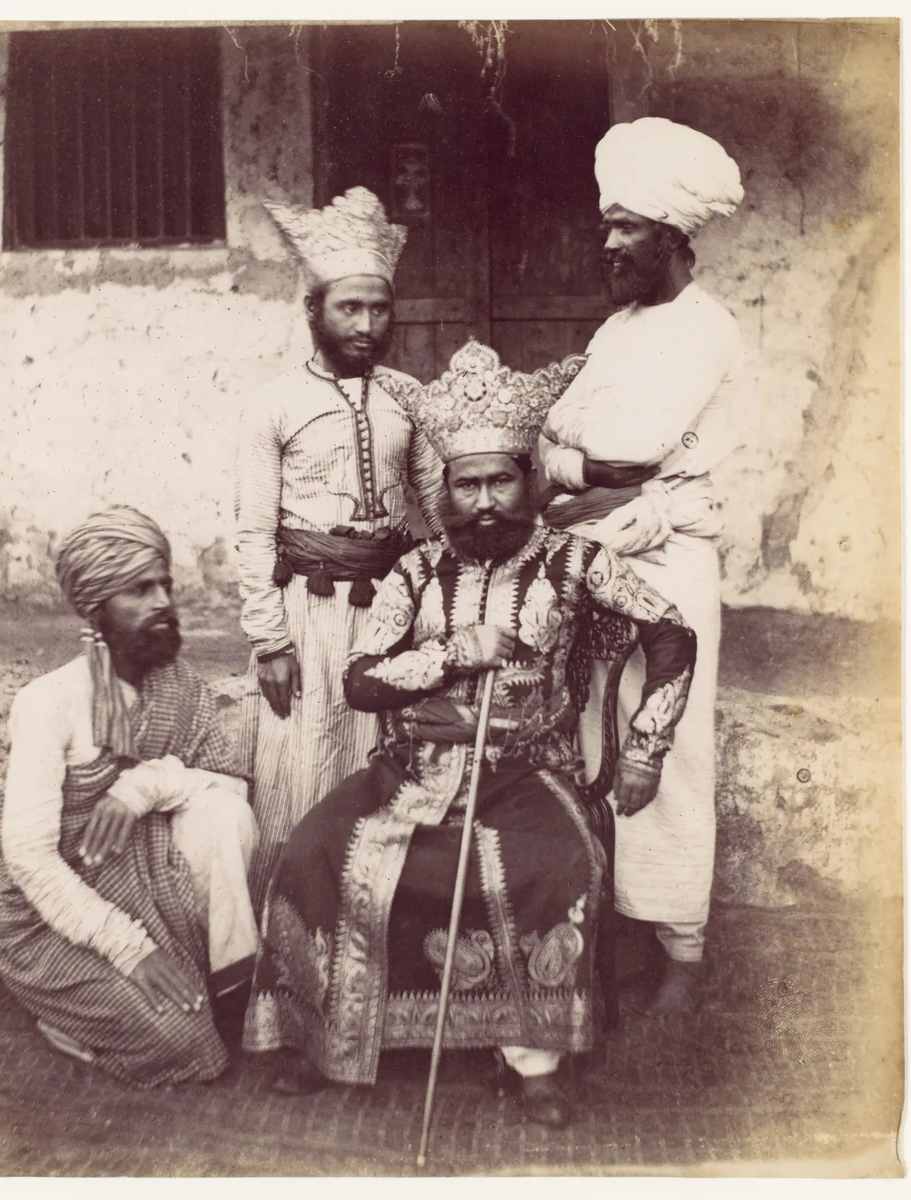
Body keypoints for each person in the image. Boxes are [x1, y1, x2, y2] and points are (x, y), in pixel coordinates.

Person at [242, 341, 697, 1127]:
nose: (485, 500)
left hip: (530, 771)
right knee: (317, 850)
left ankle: (534, 1059)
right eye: (467, 483)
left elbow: (672, 635)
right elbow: (360, 680)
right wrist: (453, 654)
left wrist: (649, 745)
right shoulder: (415, 571)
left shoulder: (576, 561)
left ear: (527, 480)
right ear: (445, 489)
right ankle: (330, 1040)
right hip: (411, 769)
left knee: (554, 865)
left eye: (500, 480)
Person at [537, 116, 747, 1019]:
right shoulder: (618, 328)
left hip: (670, 563)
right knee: (594, 733)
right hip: (597, 555)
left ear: (675, 235)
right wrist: (586, 473)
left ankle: (682, 952)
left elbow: (628, 446)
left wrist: (585, 469)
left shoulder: (705, 330)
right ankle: (611, 924)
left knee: (667, 744)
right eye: (607, 224)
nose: (609, 241)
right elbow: (555, 437)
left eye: (628, 225)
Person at [0, 506, 259, 1087]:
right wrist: (131, 950)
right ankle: (58, 1014)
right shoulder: (49, 701)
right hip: (54, 916)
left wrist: (141, 787)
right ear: (96, 608)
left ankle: (203, 983)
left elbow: (232, 786)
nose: (163, 601)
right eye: (140, 589)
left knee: (223, 812)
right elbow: (28, 859)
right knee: (185, 1045)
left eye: (165, 584)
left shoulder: (179, 686)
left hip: (152, 884)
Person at [235, 186, 443, 909]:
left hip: (387, 613)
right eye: (348, 308)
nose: (365, 324)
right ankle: (286, 935)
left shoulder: (408, 398)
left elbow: (440, 509)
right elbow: (253, 532)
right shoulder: (274, 404)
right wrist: (269, 642)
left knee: (379, 763)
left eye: (378, 308)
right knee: (300, 766)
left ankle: (373, 929)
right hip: (305, 611)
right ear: (314, 310)